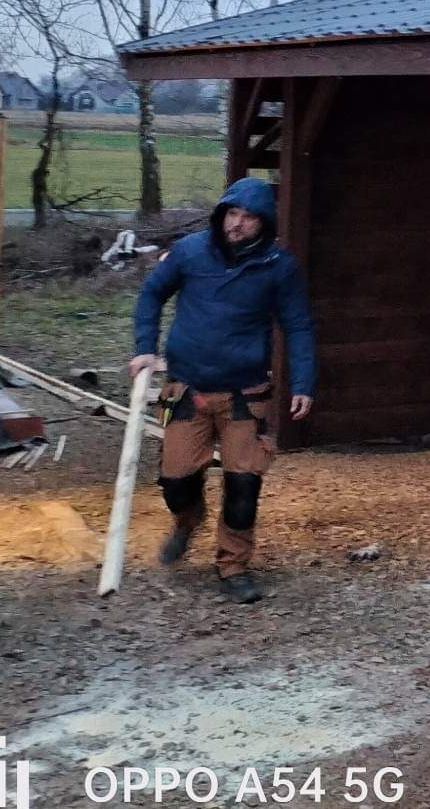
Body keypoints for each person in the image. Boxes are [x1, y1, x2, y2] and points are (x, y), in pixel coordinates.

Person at [130, 176, 316, 602]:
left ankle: (233, 566)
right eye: (232, 213)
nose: (238, 224)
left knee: (243, 488)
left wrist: (303, 382)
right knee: (175, 482)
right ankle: (187, 520)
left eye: (249, 217)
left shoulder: (278, 267)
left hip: (244, 396)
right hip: (187, 389)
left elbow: (299, 325)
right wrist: (144, 348)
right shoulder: (191, 251)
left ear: (263, 223)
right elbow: (152, 293)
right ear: (221, 214)